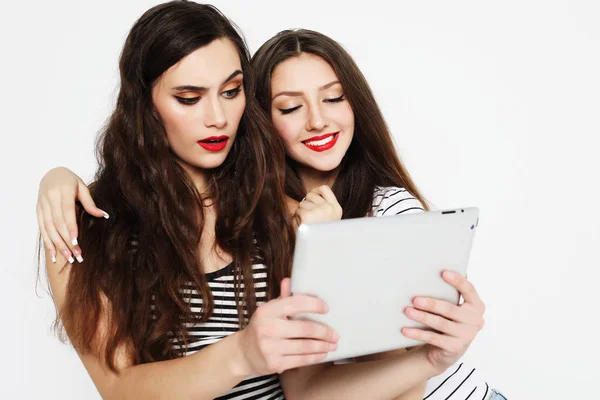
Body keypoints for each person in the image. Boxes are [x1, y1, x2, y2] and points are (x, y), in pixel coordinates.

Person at [37, 4, 495, 399]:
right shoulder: (82, 227)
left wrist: (430, 357)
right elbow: (118, 390)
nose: (217, 117)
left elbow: (312, 387)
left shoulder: (280, 209)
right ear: (142, 105)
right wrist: (242, 353)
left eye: (232, 92)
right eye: (188, 97)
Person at [251, 29, 505, 400]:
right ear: (262, 121)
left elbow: (410, 380)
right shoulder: (260, 228)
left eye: (334, 98)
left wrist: (332, 248)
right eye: (291, 107)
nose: (318, 120)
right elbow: (301, 388)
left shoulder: (391, 209)